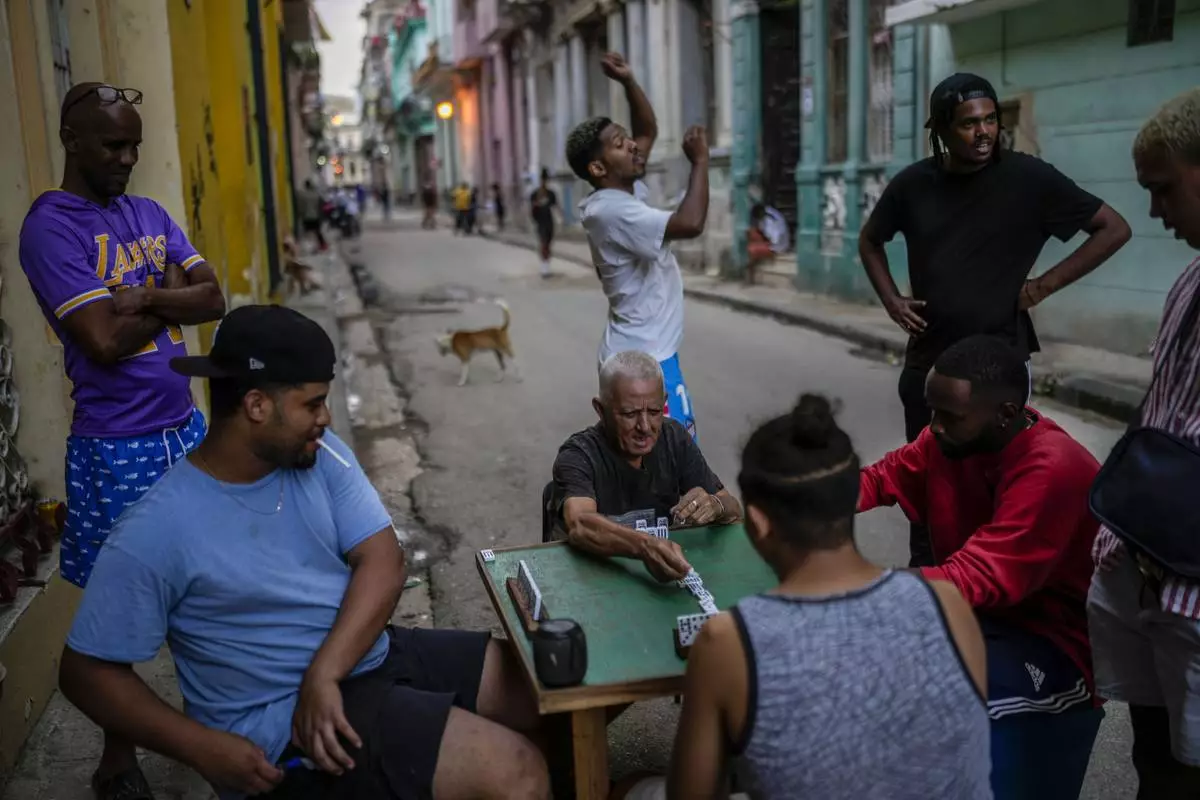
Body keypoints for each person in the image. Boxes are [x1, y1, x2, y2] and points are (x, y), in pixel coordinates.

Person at [57, 306, 550, 800]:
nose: (326, 418)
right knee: (518, 772)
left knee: (554, 690)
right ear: (256, 405)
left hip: (358, 656)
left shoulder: (318, 451)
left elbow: (383, 560)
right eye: (312, 404)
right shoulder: (155, 530)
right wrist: (202, 747)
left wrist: (325, 671)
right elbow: (84, 672)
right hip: (281, 719)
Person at [18, 81, 226, 800]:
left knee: (207, 576)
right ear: (72, 140)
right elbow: (102, 339)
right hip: (117, 443)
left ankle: (218, 719)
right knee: (122, 605)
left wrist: (147, 296)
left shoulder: (147, 210)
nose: (128, 157)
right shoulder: (51, 227)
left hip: (185, 427)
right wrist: (166, 292)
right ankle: (117, 753)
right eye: (113, 143)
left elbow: (214, 298)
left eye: (135, 143)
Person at [650, 394, 990, 800]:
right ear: (850, 503)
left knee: (637, 789)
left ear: (756, 523)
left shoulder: (728, 643)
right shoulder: (948, 606)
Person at [858, 72, 1130, 567]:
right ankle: (933, 589)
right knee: (929, 494)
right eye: (968, 124)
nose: (984, 132)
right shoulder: (914, 185)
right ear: (942, 130)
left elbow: (1113, 228)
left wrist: (1042, 286)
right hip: (929, 369)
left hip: (999, 372)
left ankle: (995, 597)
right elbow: (870, 239)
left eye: (990, 120)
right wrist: (893, 301)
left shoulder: (1029, 179)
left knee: (998, 491)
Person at [858, 335, 1102, 800]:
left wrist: (853, 587)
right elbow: (880, 478)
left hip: (1052, 644)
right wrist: (800, 496)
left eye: (949, 416)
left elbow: (978, 577)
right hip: (979, 619)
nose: (934, 428)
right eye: (932, 412)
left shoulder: (1051, 469)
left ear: (1007, 414)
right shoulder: (944, 440)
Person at [1088, 87, 1200, 799]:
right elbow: (1159, 411)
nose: (1155, 212)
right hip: (1150, 584)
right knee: (1155, 764)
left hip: (1192, 591)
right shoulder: (1189, 280)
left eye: (1164, 189)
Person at [566, 52, 710, 442]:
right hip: (644, 360)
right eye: (619, 143)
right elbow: (690, 223)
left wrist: (628, 81)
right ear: (598, 168)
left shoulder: (619, 194)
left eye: (626, 138)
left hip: (647, 355)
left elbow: (646, 130)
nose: (632, 145)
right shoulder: (614, 211)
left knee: (669, 460)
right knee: (671, 463)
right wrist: (700, 163)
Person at [551, 351, 741, 583]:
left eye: (654, 412)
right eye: (630, 414)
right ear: (601, 410)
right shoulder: (579, 454)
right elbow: (580, 523)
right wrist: (645, 546)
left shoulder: (674, 438)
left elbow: (733, 508)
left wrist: (716, 506)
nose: (645, 426)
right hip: (596, 580)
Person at [529, 169, 558, 277]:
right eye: (543, 180)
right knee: (543, 243)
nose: (544, 182)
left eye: (546, 180)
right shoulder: (535, 194)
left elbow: (555, 206)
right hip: (540, 222)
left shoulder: (551, 194)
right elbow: (532, 208)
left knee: (548, 244)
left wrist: (560, 216)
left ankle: (546, 264)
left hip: (549, 222)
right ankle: (544, 268)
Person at [745, 203, 774, 286]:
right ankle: (750, 277)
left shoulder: (758, 222)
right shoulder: (755, 224)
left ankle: (751, 277)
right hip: (756, 244)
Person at [296, 178, 327, 252]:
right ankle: (322, 246)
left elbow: (301, 206)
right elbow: (322, 205)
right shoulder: (316, 195)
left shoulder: (302, 195)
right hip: (316, 217)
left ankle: (308, 247)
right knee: (318, 232)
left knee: (307, 233)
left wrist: (301, 214)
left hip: (306, 217)